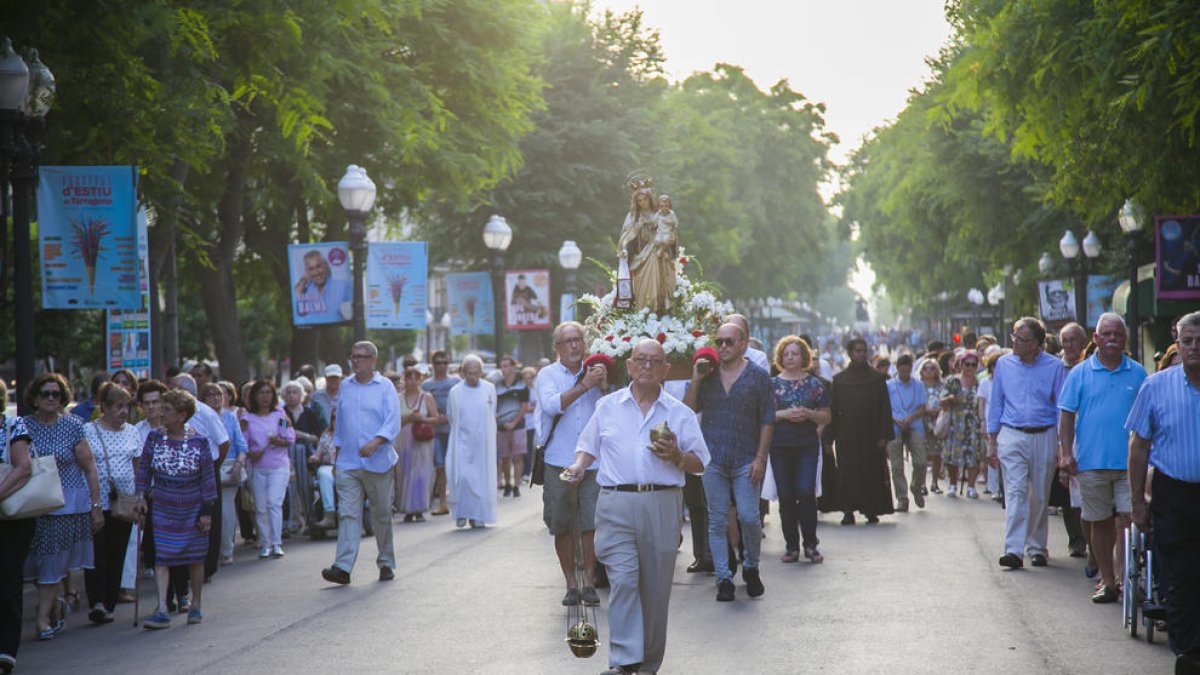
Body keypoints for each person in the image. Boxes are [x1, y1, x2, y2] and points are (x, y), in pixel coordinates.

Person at [563, 338, 710, 675]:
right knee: (624, 580)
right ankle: (624, 660)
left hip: (662, 502)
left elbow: (700, 462)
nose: (646, 366)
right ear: (629, 365)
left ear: (665, 370)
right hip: (616, 503)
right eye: (640, 359)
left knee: (655, 590)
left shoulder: (679, 413)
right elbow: (588, 446)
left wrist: (677, 456)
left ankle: (648, 662)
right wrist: (579, 466)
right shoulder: (608, 406)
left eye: (654, 361)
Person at [1126, 311, 1200, 673]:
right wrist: (1137, 503)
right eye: (1188, 341)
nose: (1194, 347)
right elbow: (1139, 446)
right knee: (1181, 574)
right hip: (1173, 493)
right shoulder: (1156, 387)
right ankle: (1189, 651)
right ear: (1177, 344)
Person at [1058, 313, 1146, 604]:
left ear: (1125, 339)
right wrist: (1066, 453)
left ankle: (1125, 577)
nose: (1111, 339)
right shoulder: (1080, 373)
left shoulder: (1138, 373)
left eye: (1117, 334)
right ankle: (1107, 581)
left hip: (1129, 464)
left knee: (1128, 520)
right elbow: (1066, 416)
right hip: (1091, 461)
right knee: (1099, 522)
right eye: (1106, 334)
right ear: (1095, 338)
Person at [683, 322, 773, 601]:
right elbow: (687, 411)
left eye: (729, 342)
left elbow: (768, 420)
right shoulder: (707, 376)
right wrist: (696, 379)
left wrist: (761, 458)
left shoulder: (758, 376)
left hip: (746, 458)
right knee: (717, 520)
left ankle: (751, 566)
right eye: (719, 341)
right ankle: (723, 577)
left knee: (749, 517)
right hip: (713, 459)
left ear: (743, 344)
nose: (722, 346)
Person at [21, 373, 103, 641]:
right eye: (45, 393)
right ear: (34, 397)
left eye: (56, 394)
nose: (50, 398)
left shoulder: (73, 426)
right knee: (35, 563)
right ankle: (54, 603)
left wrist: (96, 505)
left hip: (65, 505)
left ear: (63, 398)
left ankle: (43, 619)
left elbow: (90, 468)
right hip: (31, 503)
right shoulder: (22, 426)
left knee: (53, 563)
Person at [533, 321, 607, 606]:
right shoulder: (548, 375)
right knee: (562, 523)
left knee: (591, 524)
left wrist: (603, 385)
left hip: (592, 461)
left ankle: (588, 580)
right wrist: (585, 386)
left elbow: (610, 409)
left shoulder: (598, 371)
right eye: (569, 341)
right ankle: (570, 583)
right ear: (558, 348)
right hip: (559, 460)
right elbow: (552, 405)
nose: (575, 345)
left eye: (579, 339)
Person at [986, 317, 1066, 569]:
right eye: (1014, 337)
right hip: (1012, 433)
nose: (1015, 342)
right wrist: (991, 440)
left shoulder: (1054, 367)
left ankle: (1037, 547)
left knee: (1040, 495)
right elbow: (996, 402)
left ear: (1035, 344)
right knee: (1016, 492)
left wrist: (1062, 445)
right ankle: (1013, 549)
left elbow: (1060, 407)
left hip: (1044, 434)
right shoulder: (1004, 364)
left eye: (1020, 339)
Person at [133, 390, 217, 629]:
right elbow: (144, 470)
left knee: (195, 558)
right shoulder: (154, 438)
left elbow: (208, 479)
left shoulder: (199, 442)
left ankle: (196, 604)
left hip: (192, 508)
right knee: (162, 557)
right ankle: (162, 609)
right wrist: (140, 496)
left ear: (181, 415)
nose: (161, 413)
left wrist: (206, 512)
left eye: (167, 410)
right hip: (163, 506)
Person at [322, 341, 401, 585]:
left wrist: (376, 442)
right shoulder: (346, 386)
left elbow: (393, 421)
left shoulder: (385, 386)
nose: (355, 361)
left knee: (382, 513)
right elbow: (340, 425)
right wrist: (336, 458)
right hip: (348, 462)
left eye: (361, 357)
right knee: (347, 514)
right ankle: (343, 567)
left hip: (378, 461)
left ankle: (386, 562)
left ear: (373, 360)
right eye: (353, 356)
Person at [81, 383, 140, 624]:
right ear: (104, 407)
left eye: (126, 406)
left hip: (123, 502)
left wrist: (139, 498)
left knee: (117, 554)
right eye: (118, 406)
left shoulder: (133, 432)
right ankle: (96, 601)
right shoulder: (87, 430)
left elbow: (137, 467)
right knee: (97, 553)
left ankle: (109, 603)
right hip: (95, 501)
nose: (124, 411)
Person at [770, 336, 831, 563]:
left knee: (806, 492)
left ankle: (811, 544)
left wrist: (809, 414)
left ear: (803, 356)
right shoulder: (772, 385)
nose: (790, 357)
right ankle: (791, 546)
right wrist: (784, 414)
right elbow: (764, 416)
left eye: (794, 353)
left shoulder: (815, 384)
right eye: (786, 354)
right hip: (779, 446)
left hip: (806, 445)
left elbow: (826, 416)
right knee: (785, 496)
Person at [168, 374, 229, 580]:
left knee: (209, 517)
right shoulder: (170, 415)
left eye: (174, 389)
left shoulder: (205, 412)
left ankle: (208, 566)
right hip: (182, 472)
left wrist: (214, 465)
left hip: (206, 469)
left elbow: (223, 442)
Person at [829, 338, 895, 525]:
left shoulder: (877, 379)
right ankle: (848, 510)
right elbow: (833, 410)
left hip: (871, 435)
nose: (861, 354)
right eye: (857, 351)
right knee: (847, 472)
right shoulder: (840, 380)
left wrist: (884, 435)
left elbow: (884, 408)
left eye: (864, 350)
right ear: (850, 353)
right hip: (847, 435)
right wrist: (828, 438)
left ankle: (871, 510)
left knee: (871, 472)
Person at [0, 381, 36, 672]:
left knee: (8, 578)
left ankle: (7, 648)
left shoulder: (13, 425)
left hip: (12, 517)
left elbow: (23, 467)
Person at [240, 380, 295, 560]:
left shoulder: (280, 415)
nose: (265, 397)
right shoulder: (247, 419)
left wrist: (278, 441)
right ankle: (265, 543)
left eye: (268, 392)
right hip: (257, 468)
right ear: (254, 396)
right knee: (261, 507)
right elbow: (242, 443)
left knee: (273, 503)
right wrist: (251, 453)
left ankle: (276, 543)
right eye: (261, 393)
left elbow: (290, 438)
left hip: (278, 465)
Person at [445, 355, 498, 528]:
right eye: (469, 373)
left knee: (481, 479)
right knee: (462, 477)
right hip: (461, 442)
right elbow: (450, 416)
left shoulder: (489, 389)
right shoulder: (455, 392)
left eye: (476, 373)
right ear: (463, 373)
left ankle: (478, 515)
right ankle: (462, 512)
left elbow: (492, 413)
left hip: (482, 444)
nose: (473, 377)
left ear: (481, 372)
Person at [200, 382, 247, 566]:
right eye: (211, 395)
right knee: (208, 512)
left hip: (228, 466)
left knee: (226, 511)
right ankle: (210, 551)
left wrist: (239, 464)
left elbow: (241, 445)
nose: (216, 398)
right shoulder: (199, 417)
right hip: (206, 467)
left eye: (219, 394)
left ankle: (227, 550)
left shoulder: (230, 417)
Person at [1054, 323, 1090, 558]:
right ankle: (1076, 539)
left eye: (1073, 340)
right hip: (1062, 433)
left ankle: (1093, 540)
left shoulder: (1090, 366)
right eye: (1065, 340)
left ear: (1083, 342)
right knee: (1066, 487)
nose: (1068, 345)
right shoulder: (1056, 368)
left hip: (1087, 433)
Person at [617, 182, 675, 313]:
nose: (643, 203)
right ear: (636, 202)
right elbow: (626, 237)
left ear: (650, 199)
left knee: (658, 280)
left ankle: (658, 308)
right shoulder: (633, 217)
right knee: (642, 288)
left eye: (645, 199)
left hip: (657, 252)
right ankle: (643, 311)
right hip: (640, 256)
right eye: (639, 200)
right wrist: (625, 249)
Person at [886, 354, 927, 511]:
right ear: (897, 369)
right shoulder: (889, 385)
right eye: (902, 371)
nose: (904, 374)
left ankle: (916, 487)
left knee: (921, 461)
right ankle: (902, 498)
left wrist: (911, 417)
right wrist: (895, 419)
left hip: (914, 425)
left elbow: (922, 408)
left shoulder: (918, 385)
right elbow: (885, 407)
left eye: (907, 371)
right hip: (895, 426)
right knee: (896, 466)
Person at [396, 368, 437, 522]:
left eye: (416, 378)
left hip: (421, 440)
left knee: (421, 473)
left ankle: (419, 507)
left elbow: (436, 418)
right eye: (409, 378)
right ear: (404, 380)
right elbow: (393, 420)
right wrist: (408, 419)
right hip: (403, 440)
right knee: (404, 473)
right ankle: (406, 508)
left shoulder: (427, 397)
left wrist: (421, 419)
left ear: (420, 380)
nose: (412, 382)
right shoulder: (398, 398)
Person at [422, 351, 459, 516]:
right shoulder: (426, 385)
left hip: (454, 430)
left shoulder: (456, 382)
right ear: (433, 365)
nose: (441, 366)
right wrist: (435, 418)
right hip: (434, 431)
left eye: (445, 362)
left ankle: (458, 500)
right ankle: (442, 502)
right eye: (438, 363)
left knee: (456, 467)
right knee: (440, 466)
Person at [943, 350, 984, 498]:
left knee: (974, 455)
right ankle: (953, 484)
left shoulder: (979, 383)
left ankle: (971, 487)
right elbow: (941, 400)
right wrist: (950, 399)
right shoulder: (953, 381)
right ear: (961, 365)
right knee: (953, 455)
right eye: (967, 364)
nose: (970, 368)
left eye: (973, 365)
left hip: (973, 423)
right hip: (956, 422)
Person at [491, 355, 530, 497]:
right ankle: (507, 483)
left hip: (518, 426)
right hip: (501, 427)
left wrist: (513, 423)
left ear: (513, 367)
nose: (503, 369)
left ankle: (516, 485)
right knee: (505, 458)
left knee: (517, 457)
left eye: (506, 366)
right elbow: (493, 406)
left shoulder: (522, 386)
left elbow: (524, 407)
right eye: (502, 366)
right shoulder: (496, 387)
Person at [293, 249, 351, 322]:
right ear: (307, 272)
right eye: (311, 269)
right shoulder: (305, 291)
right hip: (313, 329)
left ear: (325, 266)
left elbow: (350, 316)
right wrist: (303, 281)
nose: (316, 272)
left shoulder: (343, 286)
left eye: (319, 266)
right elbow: (298, 314)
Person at [916, 357, 946, 495]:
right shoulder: (918, 385)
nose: (928, 371)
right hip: (921, 421)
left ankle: (935, 482)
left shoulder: (942, 386)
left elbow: (946, 401)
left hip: (938, 421)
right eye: (925, 368)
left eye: (932, 368)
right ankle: (922, 484)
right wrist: (926, 410)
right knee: (922, 455)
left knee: (936, 454)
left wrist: (939, 410)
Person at [308, 410, 339, 529]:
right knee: (323, 473)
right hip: (329, 467)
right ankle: (329, 514)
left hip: (347, 467)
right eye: (334, 418)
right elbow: (318, 454)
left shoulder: (352, 433)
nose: (336, 420)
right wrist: (314, 458)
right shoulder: (326, 435)